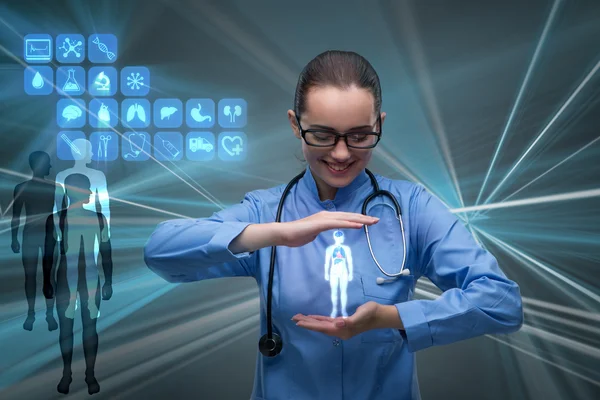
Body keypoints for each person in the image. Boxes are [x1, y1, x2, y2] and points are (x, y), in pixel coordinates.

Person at [144, 50, 523, 399]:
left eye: (360, 136)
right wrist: (279, 233)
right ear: (296, 125)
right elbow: (161, 250)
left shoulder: (412, 208)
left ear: (380, 124)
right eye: (322, 135)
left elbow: (502, 302)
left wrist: (390, 318)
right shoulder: (266, 212)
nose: (341, 154)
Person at [42, 173, 114, 395]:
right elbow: (48, 254)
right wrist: (47, 281)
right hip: (71, 277)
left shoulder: (98, 218)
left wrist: (109, 280)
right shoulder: (57, 219)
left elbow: (105, 252)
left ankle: (87, 374)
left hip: (82, 278)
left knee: (85, 329)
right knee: (71, 329)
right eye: (88, 188)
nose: (92, 193)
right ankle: (70, 374)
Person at [11, 151, 58, 331]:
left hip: (45, 235)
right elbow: (16, 216)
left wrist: (14, 238)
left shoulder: (51, 188)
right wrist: (14, 238)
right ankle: (34, 314)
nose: (50, 166)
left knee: (44, 277)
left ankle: (47, 315)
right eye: (48, 163)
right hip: (40, 235)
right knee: (35, 276)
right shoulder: (26, 188)